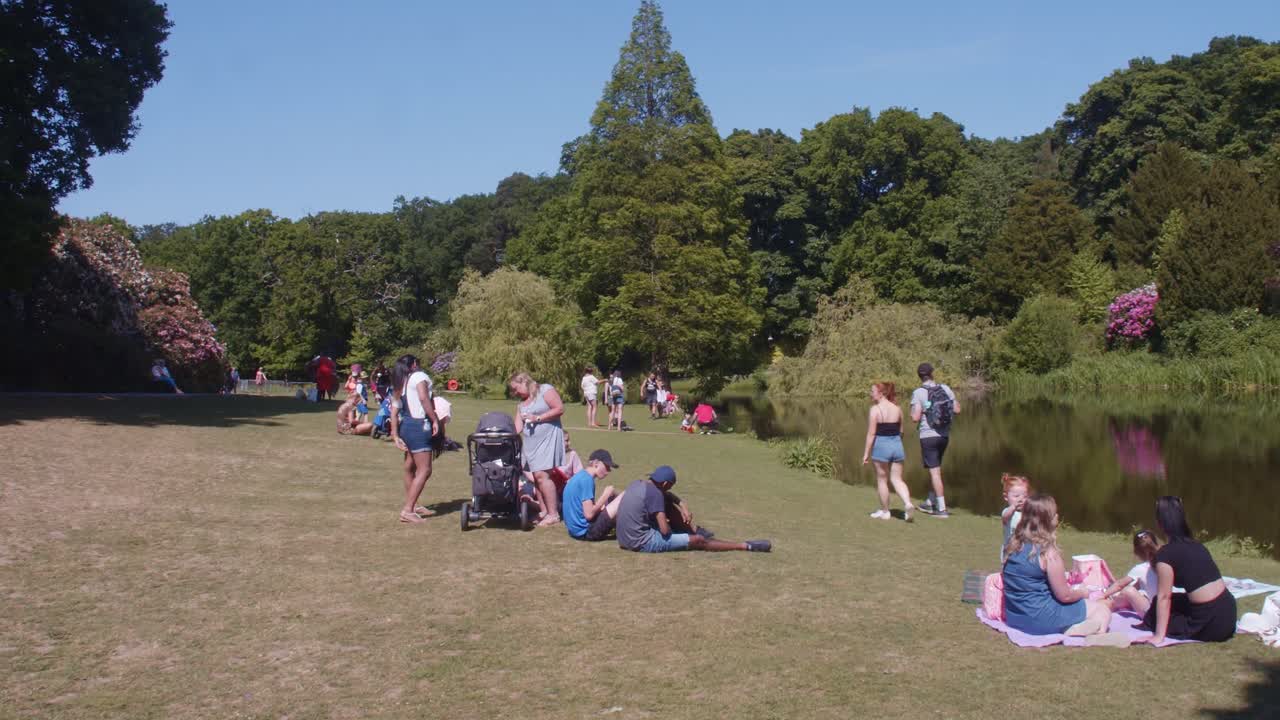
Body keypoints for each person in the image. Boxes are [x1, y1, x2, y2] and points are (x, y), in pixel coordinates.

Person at [1002, 494, 1112, 636]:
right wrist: (1082, 592)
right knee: (1101, 609)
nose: (1057, 516)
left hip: (1016, 618)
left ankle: (1075, 627)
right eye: (1054, 514)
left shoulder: (1012, 546)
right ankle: (1098, 633)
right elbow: (1064, 596)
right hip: (1042, 619)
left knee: (1085, 607)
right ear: (1046, 521)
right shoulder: (1048, 553)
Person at [1138, 496, 1236, 643]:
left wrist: (1159, 636)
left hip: (1212, 624)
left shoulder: (1166, 554)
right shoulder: (1197, 545)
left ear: (1160, 524)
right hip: (1229, 612)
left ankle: (1153, 626)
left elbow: (1165, 597)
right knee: (1166, 602)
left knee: (1157, 613)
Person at [615, 466, 772, 553]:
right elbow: (665, 532)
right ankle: (744, 545)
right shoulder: (656, 494)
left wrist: (682, 504)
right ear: (664, 485)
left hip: (624, 539)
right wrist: (669, 524)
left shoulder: (638, 484)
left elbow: (667, 496)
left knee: (667, 504)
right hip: (640, 542)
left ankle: (692, 531)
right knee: (699, 541)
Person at [389, 354, 441, 524]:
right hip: (419, 426)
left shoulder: (400, 382)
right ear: (415, 364)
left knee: (409, 467)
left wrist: (395, 434)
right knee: (425, 469)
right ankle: (408, 510)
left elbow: (394, 411)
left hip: (406, 426)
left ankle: (414, 504)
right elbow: (423, 397)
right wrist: (434, 419)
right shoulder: (419, 376)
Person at [510, 371, 566, 527]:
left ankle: (553, 514)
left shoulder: (545, 390)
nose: (515, 393)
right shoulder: (521, 404)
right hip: (530, 445)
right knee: (536, 478)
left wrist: (538, 418)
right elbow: (517, 428)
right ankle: (544, 512)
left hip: (547, 440)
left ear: (524, 382)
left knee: (542, 476)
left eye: (516, 388)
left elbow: (559, 408)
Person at [911, 362, 960, 518]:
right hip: (944, 436)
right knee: (936, 470)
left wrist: (920, 410)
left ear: (919, 376)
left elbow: (915, 417)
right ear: (932, 374)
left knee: (935, 473)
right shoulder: (945, 389)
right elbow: (957, 409)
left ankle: (942, 509)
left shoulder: (918, 392)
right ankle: (930, 501)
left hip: (928, 436)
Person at [862, 382, 913, 521]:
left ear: (881, 393)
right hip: (897, 446)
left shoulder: (875, 410)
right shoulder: (898, 409)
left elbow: (871, 434)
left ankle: (885, 512)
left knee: (882, 480)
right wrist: (895, 442)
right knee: (897, 479)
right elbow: (901, 431)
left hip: (882, 447)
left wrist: (866, 453)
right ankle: (908, 504)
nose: (870, 393)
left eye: (872, 391)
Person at [562, 449, 625, 541]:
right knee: (625, 494)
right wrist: (605, 496)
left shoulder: (581, 476)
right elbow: (589, 515)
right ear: (596, 463)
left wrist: (602, 506)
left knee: (613, 498)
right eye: (607, 467)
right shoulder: (587, 480)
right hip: (586, 532)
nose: (608, 471)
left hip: (575, 531)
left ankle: (620, 526)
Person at [1000, 474, 1031, 561]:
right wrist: (1013, 507)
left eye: (1025, 496)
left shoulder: (1028, 512)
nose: (1021, 499)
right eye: (1016, 496)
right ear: (1006, 497)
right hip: (1010, 553)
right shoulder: (1008, 512)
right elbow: (1005, 517)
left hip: (1026, 552)